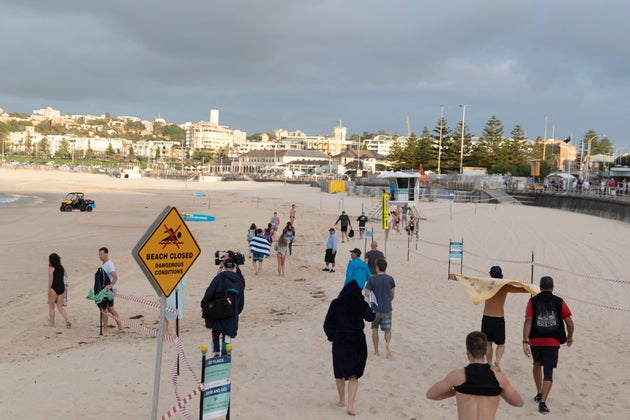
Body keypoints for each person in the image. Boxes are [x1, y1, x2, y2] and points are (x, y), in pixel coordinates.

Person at [427, 331, 524, 419]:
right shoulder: (499, 378)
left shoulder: (457, 376)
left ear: (467, 351)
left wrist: (455, 391)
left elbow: (431, 394)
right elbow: (519, 403)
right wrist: (500, 390)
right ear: (486, 351)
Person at [523, 276, 574, 415]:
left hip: (536, 340)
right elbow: (570, 323)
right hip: (552, 342)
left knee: (537, 364)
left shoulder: (533, 301)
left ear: (539, 287)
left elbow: (528, 320)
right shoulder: (559, 302)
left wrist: (525, 340)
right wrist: (569, 337)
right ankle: (543, 403)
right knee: (548, 371)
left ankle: (539, 392)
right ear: (552, 287)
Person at [323, 280, 376, 416]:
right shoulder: (360, 303)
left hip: (340, 340)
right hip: (357, 340)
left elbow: (327, 324)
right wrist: (373, 306)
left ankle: (342, 401)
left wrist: (332, 336)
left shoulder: (336, 303)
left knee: (339, 372)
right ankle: (351, 405)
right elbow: (370, 317)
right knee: (354, 375)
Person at [481, 266, 530, 371]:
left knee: (488, 343)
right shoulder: (505, 286)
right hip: (499, 319)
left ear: (491, 274)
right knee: (501, 344)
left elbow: (470, 283)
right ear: (501, 274)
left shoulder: (486, 284)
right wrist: (531, 288)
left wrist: (456, 278)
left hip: (487, 318)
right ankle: (497, 360)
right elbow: (521, 290)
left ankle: (489, 364)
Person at [201, 258, 245, 356]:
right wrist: (236, 311)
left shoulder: (218, 278)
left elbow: (209, 293)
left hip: (218, 309)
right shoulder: (239, 281)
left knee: (216, 329)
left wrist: (204, 304)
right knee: (227, 332)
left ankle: (216, 352)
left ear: (224, 267)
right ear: (234, 267)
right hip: (232, 311)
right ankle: (225, 352)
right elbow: (241, 301)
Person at [363, 259, 395, 359]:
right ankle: (387, 345)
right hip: (387, 308)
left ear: (377, 267)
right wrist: (388, 300)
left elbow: (366, 293)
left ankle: (376, 351)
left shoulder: (372, 279)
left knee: (375, 330)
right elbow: (392, 294)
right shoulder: (390, 279)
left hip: (375, 309)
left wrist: (372, 295)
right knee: (388, 330)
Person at [98, 247, 124, 332]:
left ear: (106, 254)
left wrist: (110, 285)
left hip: (108, 291)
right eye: (99, 254)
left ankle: (110, 327)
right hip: (103, 290)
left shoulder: (109, 264)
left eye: (101, 254)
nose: (100, 256)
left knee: (107, 309)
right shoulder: (103, 264)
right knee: (107, 309)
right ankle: (116, 326)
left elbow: (115, 277)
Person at [47, 253, 71, 328]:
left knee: (51, 307)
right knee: (60, 307)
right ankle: (67, 320)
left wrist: (48, 290)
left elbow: (51, 280)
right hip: (61, 288)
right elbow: (66, 277)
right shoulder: (61, 267)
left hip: (54, 288)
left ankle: (52, 324)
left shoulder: (51, 268)